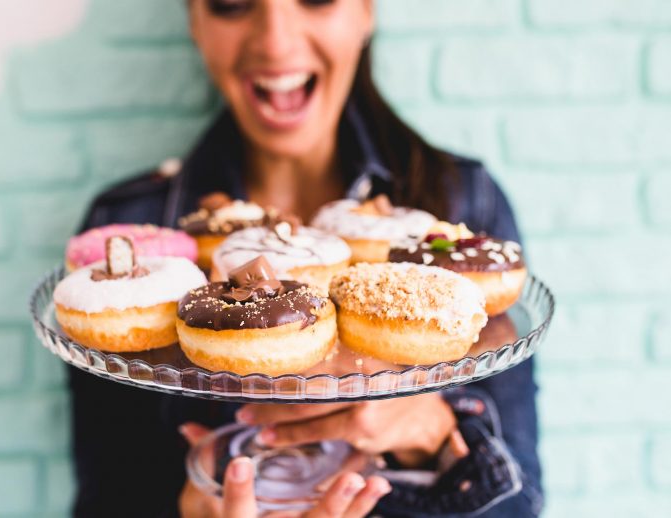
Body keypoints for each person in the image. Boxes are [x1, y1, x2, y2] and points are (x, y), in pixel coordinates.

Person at [69, 0, 542, 516]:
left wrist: (430, 435)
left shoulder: (462, 205)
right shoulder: (138, 231)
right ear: (194, 23)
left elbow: (520, 503)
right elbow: (105, 497)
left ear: (365, 11)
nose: (276, 41)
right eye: (231, 5)